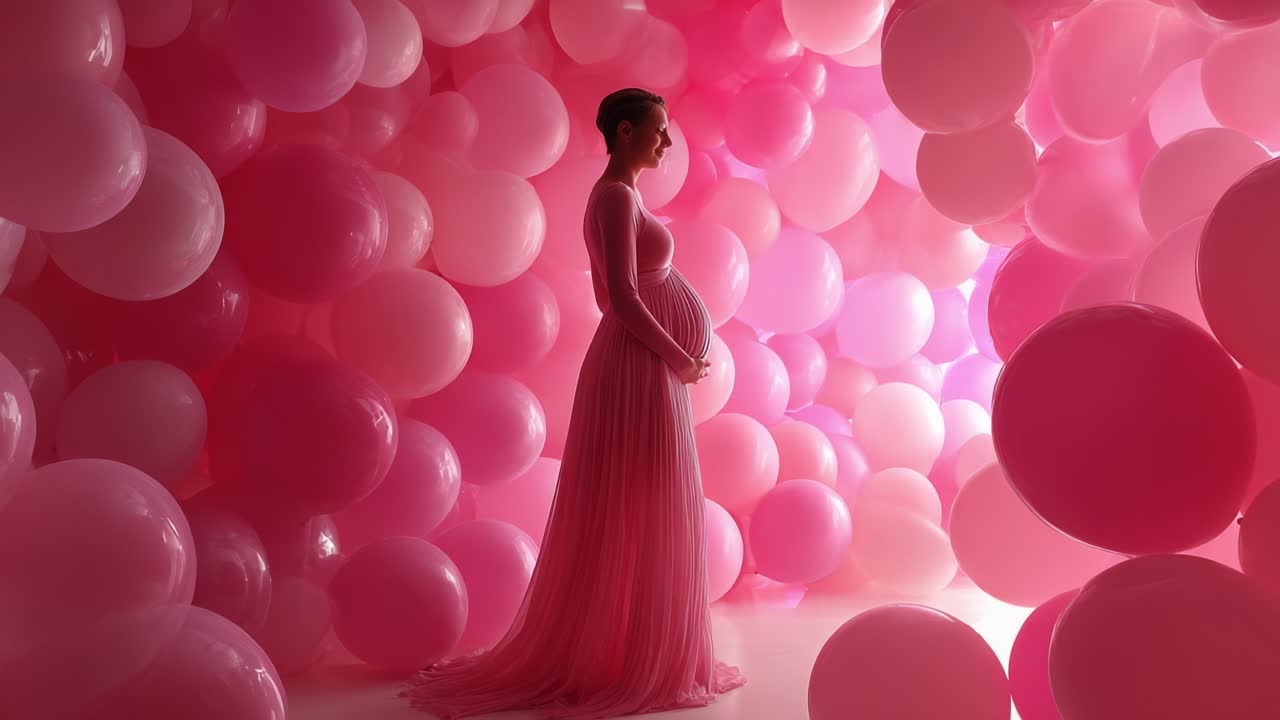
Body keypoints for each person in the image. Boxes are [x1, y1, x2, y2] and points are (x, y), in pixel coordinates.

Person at [401, 88, 746, 718]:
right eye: (658, 130)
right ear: (624, 130)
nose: (667, 142)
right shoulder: (614, 197)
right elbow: (620, 298)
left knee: (651, 499)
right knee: (640, 499)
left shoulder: (625, 196)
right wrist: (679, 357)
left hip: (646, 369)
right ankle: (628, 657)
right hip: (639, 369)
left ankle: (640, 649)